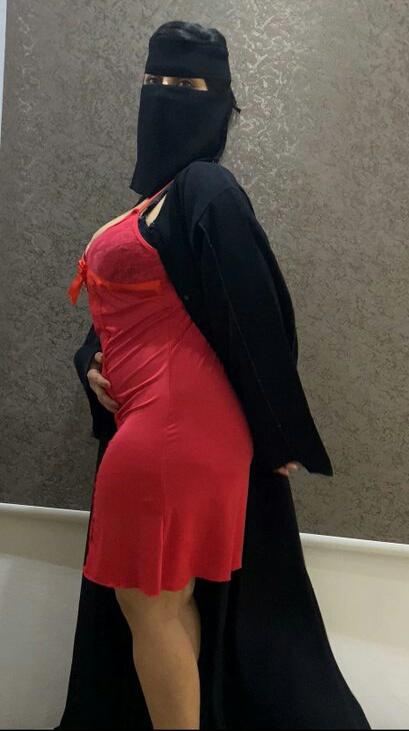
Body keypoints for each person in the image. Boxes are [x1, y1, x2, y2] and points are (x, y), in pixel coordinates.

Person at [57, 21, 371, 731]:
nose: (167, 95)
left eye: (187, 83)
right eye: (155, 81)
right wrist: (91, 366)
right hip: (165, 426)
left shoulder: (206, 187)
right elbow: (128, 320)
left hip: (172, 432)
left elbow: (254, 312)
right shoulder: (159, 201)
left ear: (222, 100)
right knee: (165, 603)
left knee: (149, 605)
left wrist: (279, 430)